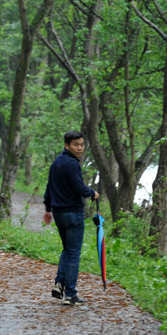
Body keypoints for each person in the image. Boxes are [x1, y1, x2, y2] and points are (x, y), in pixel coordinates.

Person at [43, 131, 99, 306]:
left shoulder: (56, 163)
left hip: (59, 213)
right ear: (67, 145)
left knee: (67, 250)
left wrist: (48, 209)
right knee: (74, 253)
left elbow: (48, 189)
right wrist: (93, 193)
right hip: (73, 213)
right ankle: (71, 294)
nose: (80, 148)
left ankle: (60, 284)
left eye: (82, 144)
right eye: (76, 144)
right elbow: (79, 188)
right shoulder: (72, 164)